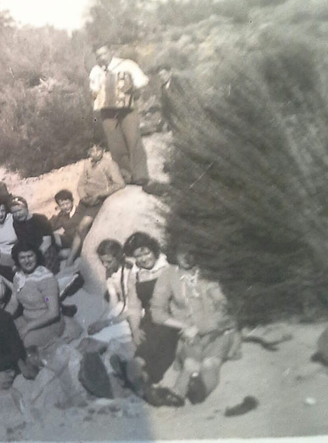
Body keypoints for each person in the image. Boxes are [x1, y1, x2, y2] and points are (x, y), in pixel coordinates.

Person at [151, 248, 240, 405]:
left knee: (210, 363)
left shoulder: (207, 274)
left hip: (217, 331)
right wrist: (184, 326)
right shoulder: (169, 275)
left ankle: (200, 391)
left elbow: (224, 311)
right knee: (190, 363)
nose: (186, 257)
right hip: (190, 334)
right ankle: (176, 395)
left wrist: (198, 328)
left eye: (191, 252)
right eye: (181, 251)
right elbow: (157, 313)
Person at [118, 232, 181, 404]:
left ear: (154, 250)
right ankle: (142, 380)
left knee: (165, 343)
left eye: (146, 253)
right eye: (138, 256)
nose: (144, 259)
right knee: (146, 338)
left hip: (173, 316)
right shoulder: (136, 275)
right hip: (151, 318)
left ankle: (138, 374)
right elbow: (134, 306)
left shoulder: (168, 266)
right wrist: (135, 330)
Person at [89, 45, 150, 185]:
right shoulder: (95, 71)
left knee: (133, 139)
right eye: (98, 55)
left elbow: (142, 81)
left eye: (104, 53)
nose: (102, 57)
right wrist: (95, 94)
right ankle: (126, 175)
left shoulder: (127, 64)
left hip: (127, 108)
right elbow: (94, 90)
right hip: (107, 111)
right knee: (115, 145)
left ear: (111, 52)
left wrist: (130, 89)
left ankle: (141, 175)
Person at [5, 242, 63, 349]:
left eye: (30, 256)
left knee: (23, 344)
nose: (27, 261)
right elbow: (14, 301)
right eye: (22, 257)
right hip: (27, 319)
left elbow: (53, 312)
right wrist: (2, 318)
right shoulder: (18, 275)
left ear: (36, 255)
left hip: (48, 324)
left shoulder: (45, 277)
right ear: (17, 259)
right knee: (3, 335)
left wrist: (27, 328)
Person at [77, 144, 125, 231]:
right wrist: (83, 197)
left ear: (103, 150)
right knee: (74, 225)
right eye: (92, 151)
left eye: (98, 150)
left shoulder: (109, 164)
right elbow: (81, 184)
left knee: (82, 227)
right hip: (87, 200)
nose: (95, 153)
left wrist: (99, 195)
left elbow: (120, 183)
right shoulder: (87, 164)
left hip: (100, 200)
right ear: (88, 152)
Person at [9, 196, 59, 274]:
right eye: (14, 212)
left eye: (19, 210)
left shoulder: (40, 219)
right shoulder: (16, 223)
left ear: (26, 208)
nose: (17, 214)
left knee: (43, 273)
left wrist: (35, 257)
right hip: (30, 253)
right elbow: (22, 243)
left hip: (44, 251)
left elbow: (47, 242)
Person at [50, 190, 85, 263]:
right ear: (59, 206)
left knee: (62, 254)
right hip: (69, 241)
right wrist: (55, 215)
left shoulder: (80, 211)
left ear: (72, 201)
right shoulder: (62, 215)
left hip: (81, 242)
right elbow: (50, 227)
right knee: (52, 236)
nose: (65, 207)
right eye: (62, 205)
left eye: (67, 203)